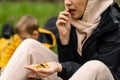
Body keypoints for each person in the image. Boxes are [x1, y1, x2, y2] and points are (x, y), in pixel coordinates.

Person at [1, 0, 120, 80]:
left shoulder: (115, 26)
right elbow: (66, 71)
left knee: (95, 66)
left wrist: (61, 67)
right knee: (29, 45)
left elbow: (100, 71)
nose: (67, 2)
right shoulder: (70, 19)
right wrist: (64, 40)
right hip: (73, 75)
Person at [0, 16, 59, 80]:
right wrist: (3, 66)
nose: (20, 41)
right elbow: (8, 51)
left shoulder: (45, 44)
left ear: (35, 34)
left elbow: (43, 62)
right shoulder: (18, 37)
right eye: (20, 38)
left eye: (24, 38)